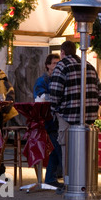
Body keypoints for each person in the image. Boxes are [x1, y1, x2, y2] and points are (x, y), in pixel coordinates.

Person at [49, 41, 101, 176]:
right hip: (88, 118)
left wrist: (56, 109)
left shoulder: (61, 66)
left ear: (62, 52)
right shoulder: (89, 65)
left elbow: (55, 92)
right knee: (85, 150)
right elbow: (100, 91)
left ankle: (70, 183)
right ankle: (85, 180)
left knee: (67, 150)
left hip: (68, 115)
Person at [33, 53, 62, 188]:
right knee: (57, 147)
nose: (57, 66)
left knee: (57, 148)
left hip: (56, 119)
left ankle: (51, 177)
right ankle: (50, 177)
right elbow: (40, 96)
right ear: (48, 65)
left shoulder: (59, 79)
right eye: (54, 63)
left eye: (58, 63)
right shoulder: (42, 80)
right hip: (47, 120)